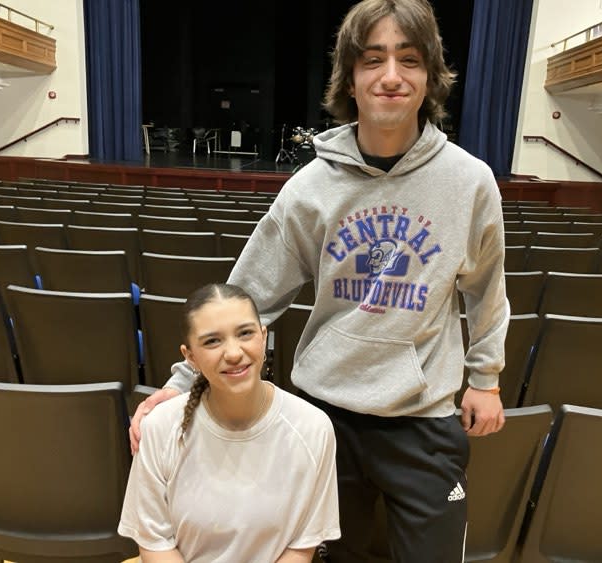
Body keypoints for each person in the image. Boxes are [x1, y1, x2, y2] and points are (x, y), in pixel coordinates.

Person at [132, 0, 510, 560]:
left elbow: (486, 288)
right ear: (349, 80)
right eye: (372, 60)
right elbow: (252, 294)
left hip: (424, 419)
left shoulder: (471, 182)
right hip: (324, 417)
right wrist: (187, 379)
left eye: (408, 60)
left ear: (429, 76)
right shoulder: (310, 187)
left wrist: (486, 377)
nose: (390, 76)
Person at [119, 283, 340, 563]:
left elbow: (300, 548)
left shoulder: (313, 427)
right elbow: (154, 542)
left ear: (263, 336)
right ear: (190, 357)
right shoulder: (160, 426)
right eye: (212, 341)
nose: (234, 353)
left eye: (245, 333)